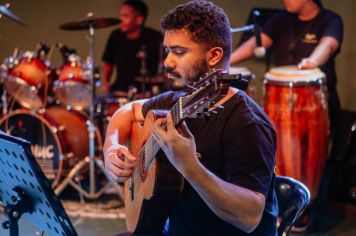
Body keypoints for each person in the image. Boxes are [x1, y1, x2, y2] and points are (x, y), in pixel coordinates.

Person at [104, 1, 278, 235]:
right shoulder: (176, 100)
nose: (167, 62)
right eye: (167, 51)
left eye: (179, 52)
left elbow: (250, 216)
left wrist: (189, 166)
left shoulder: (247, 123)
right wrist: (111, 146)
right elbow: (127, 111)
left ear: (214, 55)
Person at [230, 0, 343, 130]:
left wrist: (312, 61)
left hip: (318, 101)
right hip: (280, 103)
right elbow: (254, 45)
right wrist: (225, 63)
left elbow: (327, 45)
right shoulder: (282, 18)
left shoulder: (330, 20)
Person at [102, 0, 163, 97]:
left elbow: (164, 68)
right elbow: (108, 63)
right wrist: (106, 83)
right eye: (120, 15)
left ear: (139, 19)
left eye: (125, 16)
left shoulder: (155, 38)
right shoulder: (116, 36)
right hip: (119, 93)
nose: (120, 19)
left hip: (146, 95)